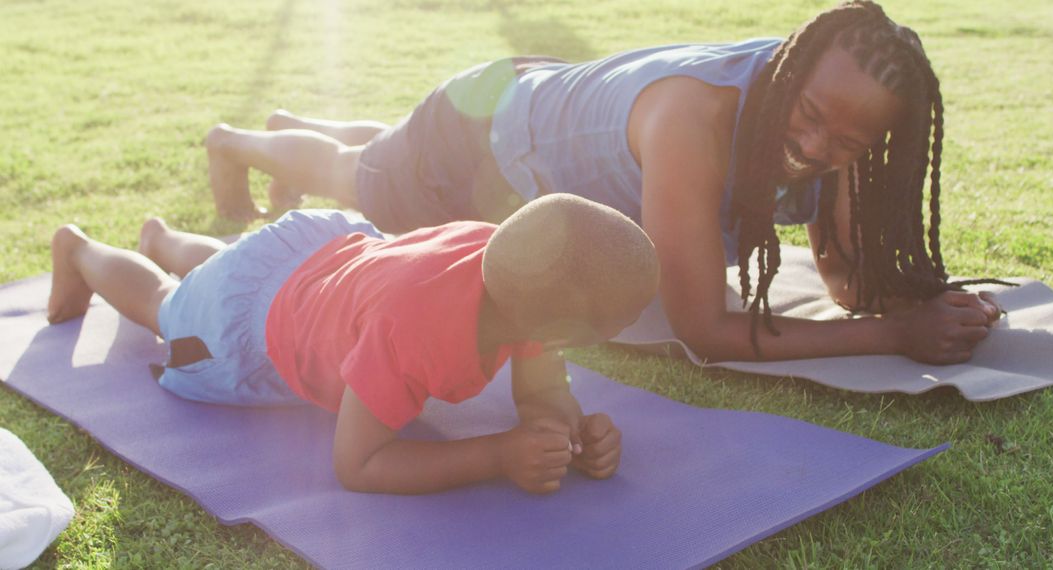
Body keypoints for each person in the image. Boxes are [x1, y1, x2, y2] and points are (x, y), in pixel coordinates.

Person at [204, 0, 1004, 365]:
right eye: (810, 115)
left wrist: (915, 304)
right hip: (478, 137)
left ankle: (292, 127)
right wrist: (895, 337)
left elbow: (842, 278)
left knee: (376, 153)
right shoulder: (696, 123)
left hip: (547, 104)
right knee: (362, 180)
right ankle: (240, 143)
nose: (813, 144)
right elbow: (704, 330)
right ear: (791, 74)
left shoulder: (832, 121)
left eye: (848, 143)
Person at [45, 195, 661, 495]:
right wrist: (498, 456)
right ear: (554, 330)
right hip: (250, 327)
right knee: (168, 306)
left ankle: (163, 236)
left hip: (314, 253)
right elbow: (358, 464)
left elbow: (543, 387)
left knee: (234, 268)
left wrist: (569, 430)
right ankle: (79, 250)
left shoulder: (515, 266)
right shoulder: (410, 332)